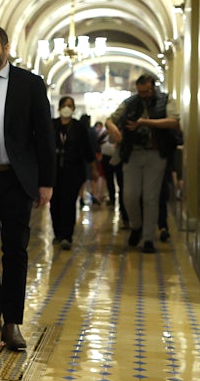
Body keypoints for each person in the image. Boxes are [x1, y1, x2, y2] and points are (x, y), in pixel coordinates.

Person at [0, 24, 55, 349]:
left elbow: (44, 135)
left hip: (16, 179)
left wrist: (46, 182)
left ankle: (12, 322)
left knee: (15, 251)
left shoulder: (29, 84)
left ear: (5, 48)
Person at [105, 74, 180, 254]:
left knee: (150, 197)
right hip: (132, 153)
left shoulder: (165, 100)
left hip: (156, 153)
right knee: (129, 195)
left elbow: (173, 121)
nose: (143, 95)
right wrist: (113, 128)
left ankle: (148, 239)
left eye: (146, 91)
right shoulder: (130, 102)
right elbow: (110, 120)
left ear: (153, 88)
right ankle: (136, 226)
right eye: (140, 92)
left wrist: (145, 122)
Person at [50, 97, 96, 250]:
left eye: (70, 105)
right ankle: (57, 233)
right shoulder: (52, 125)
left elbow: (87, 149)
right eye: (64, 105)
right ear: (59, 108)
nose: (66, 108)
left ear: (74, 108)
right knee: (55, 203)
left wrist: (93, 168)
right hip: (54, 172)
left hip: (73, 171)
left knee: (69, 203)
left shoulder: (79, 127)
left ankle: (67, 236)